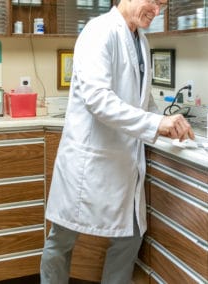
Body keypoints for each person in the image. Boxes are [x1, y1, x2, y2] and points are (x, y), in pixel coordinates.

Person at [40, 0, 195, 283]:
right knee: (62, 238)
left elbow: (141, 100)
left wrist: (165, 124)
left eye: (163, 5)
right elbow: (98, 99)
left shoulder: (141, 40)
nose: (158, 11)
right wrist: (155, 123)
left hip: (123, 162)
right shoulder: (99, 31)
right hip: (89, 162)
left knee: (130, 238)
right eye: (155, 2)